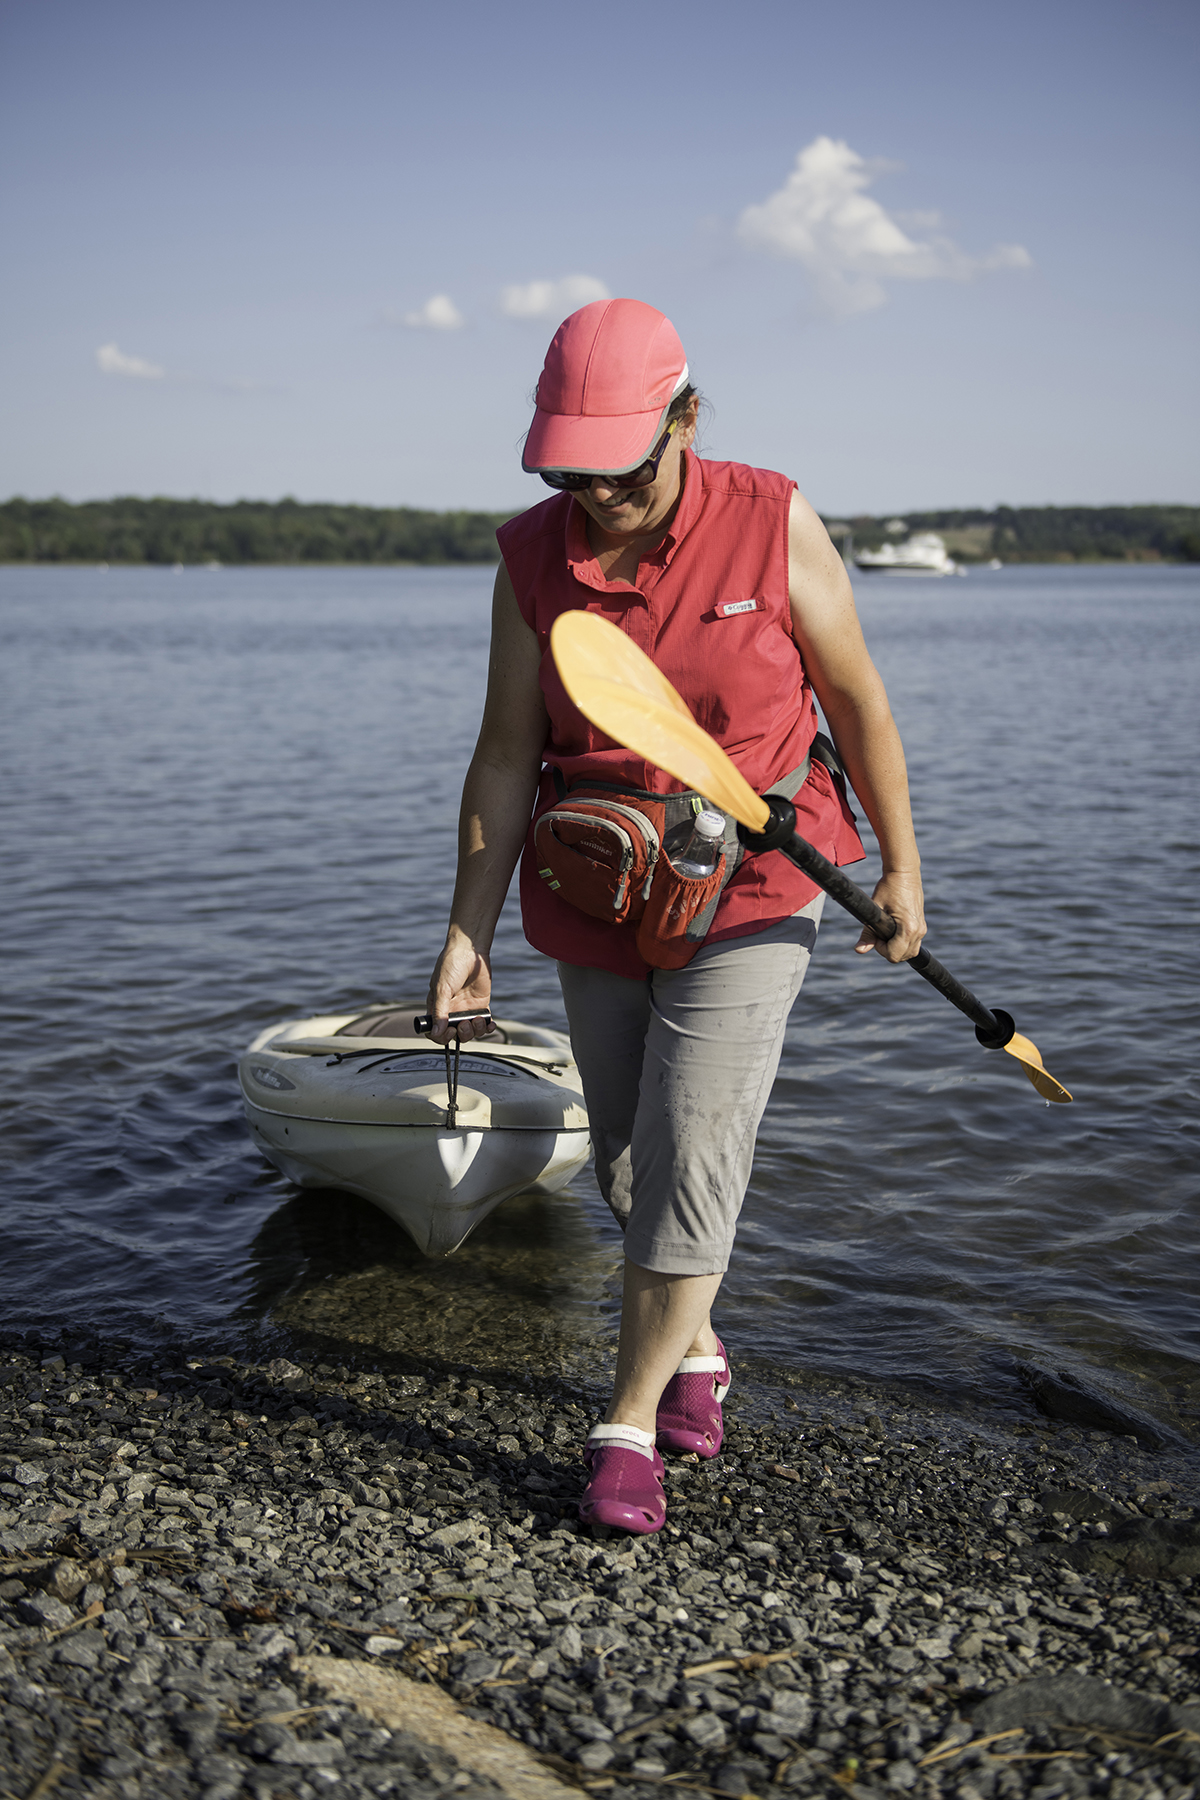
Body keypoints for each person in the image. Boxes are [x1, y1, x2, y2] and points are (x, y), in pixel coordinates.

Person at [426, 298, 925, 1535]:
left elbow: (857, 702)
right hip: (597, 879)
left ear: (687, 419)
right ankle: (695, 1347)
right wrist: (467, 932)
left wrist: (906, 869)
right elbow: (504, 753)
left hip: (755, 881)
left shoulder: (771, 521)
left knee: (695, 1147)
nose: (594, 495)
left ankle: (627, 1423)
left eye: (622, 468)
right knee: (629, 1162)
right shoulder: (532, 557)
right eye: (567, 471)